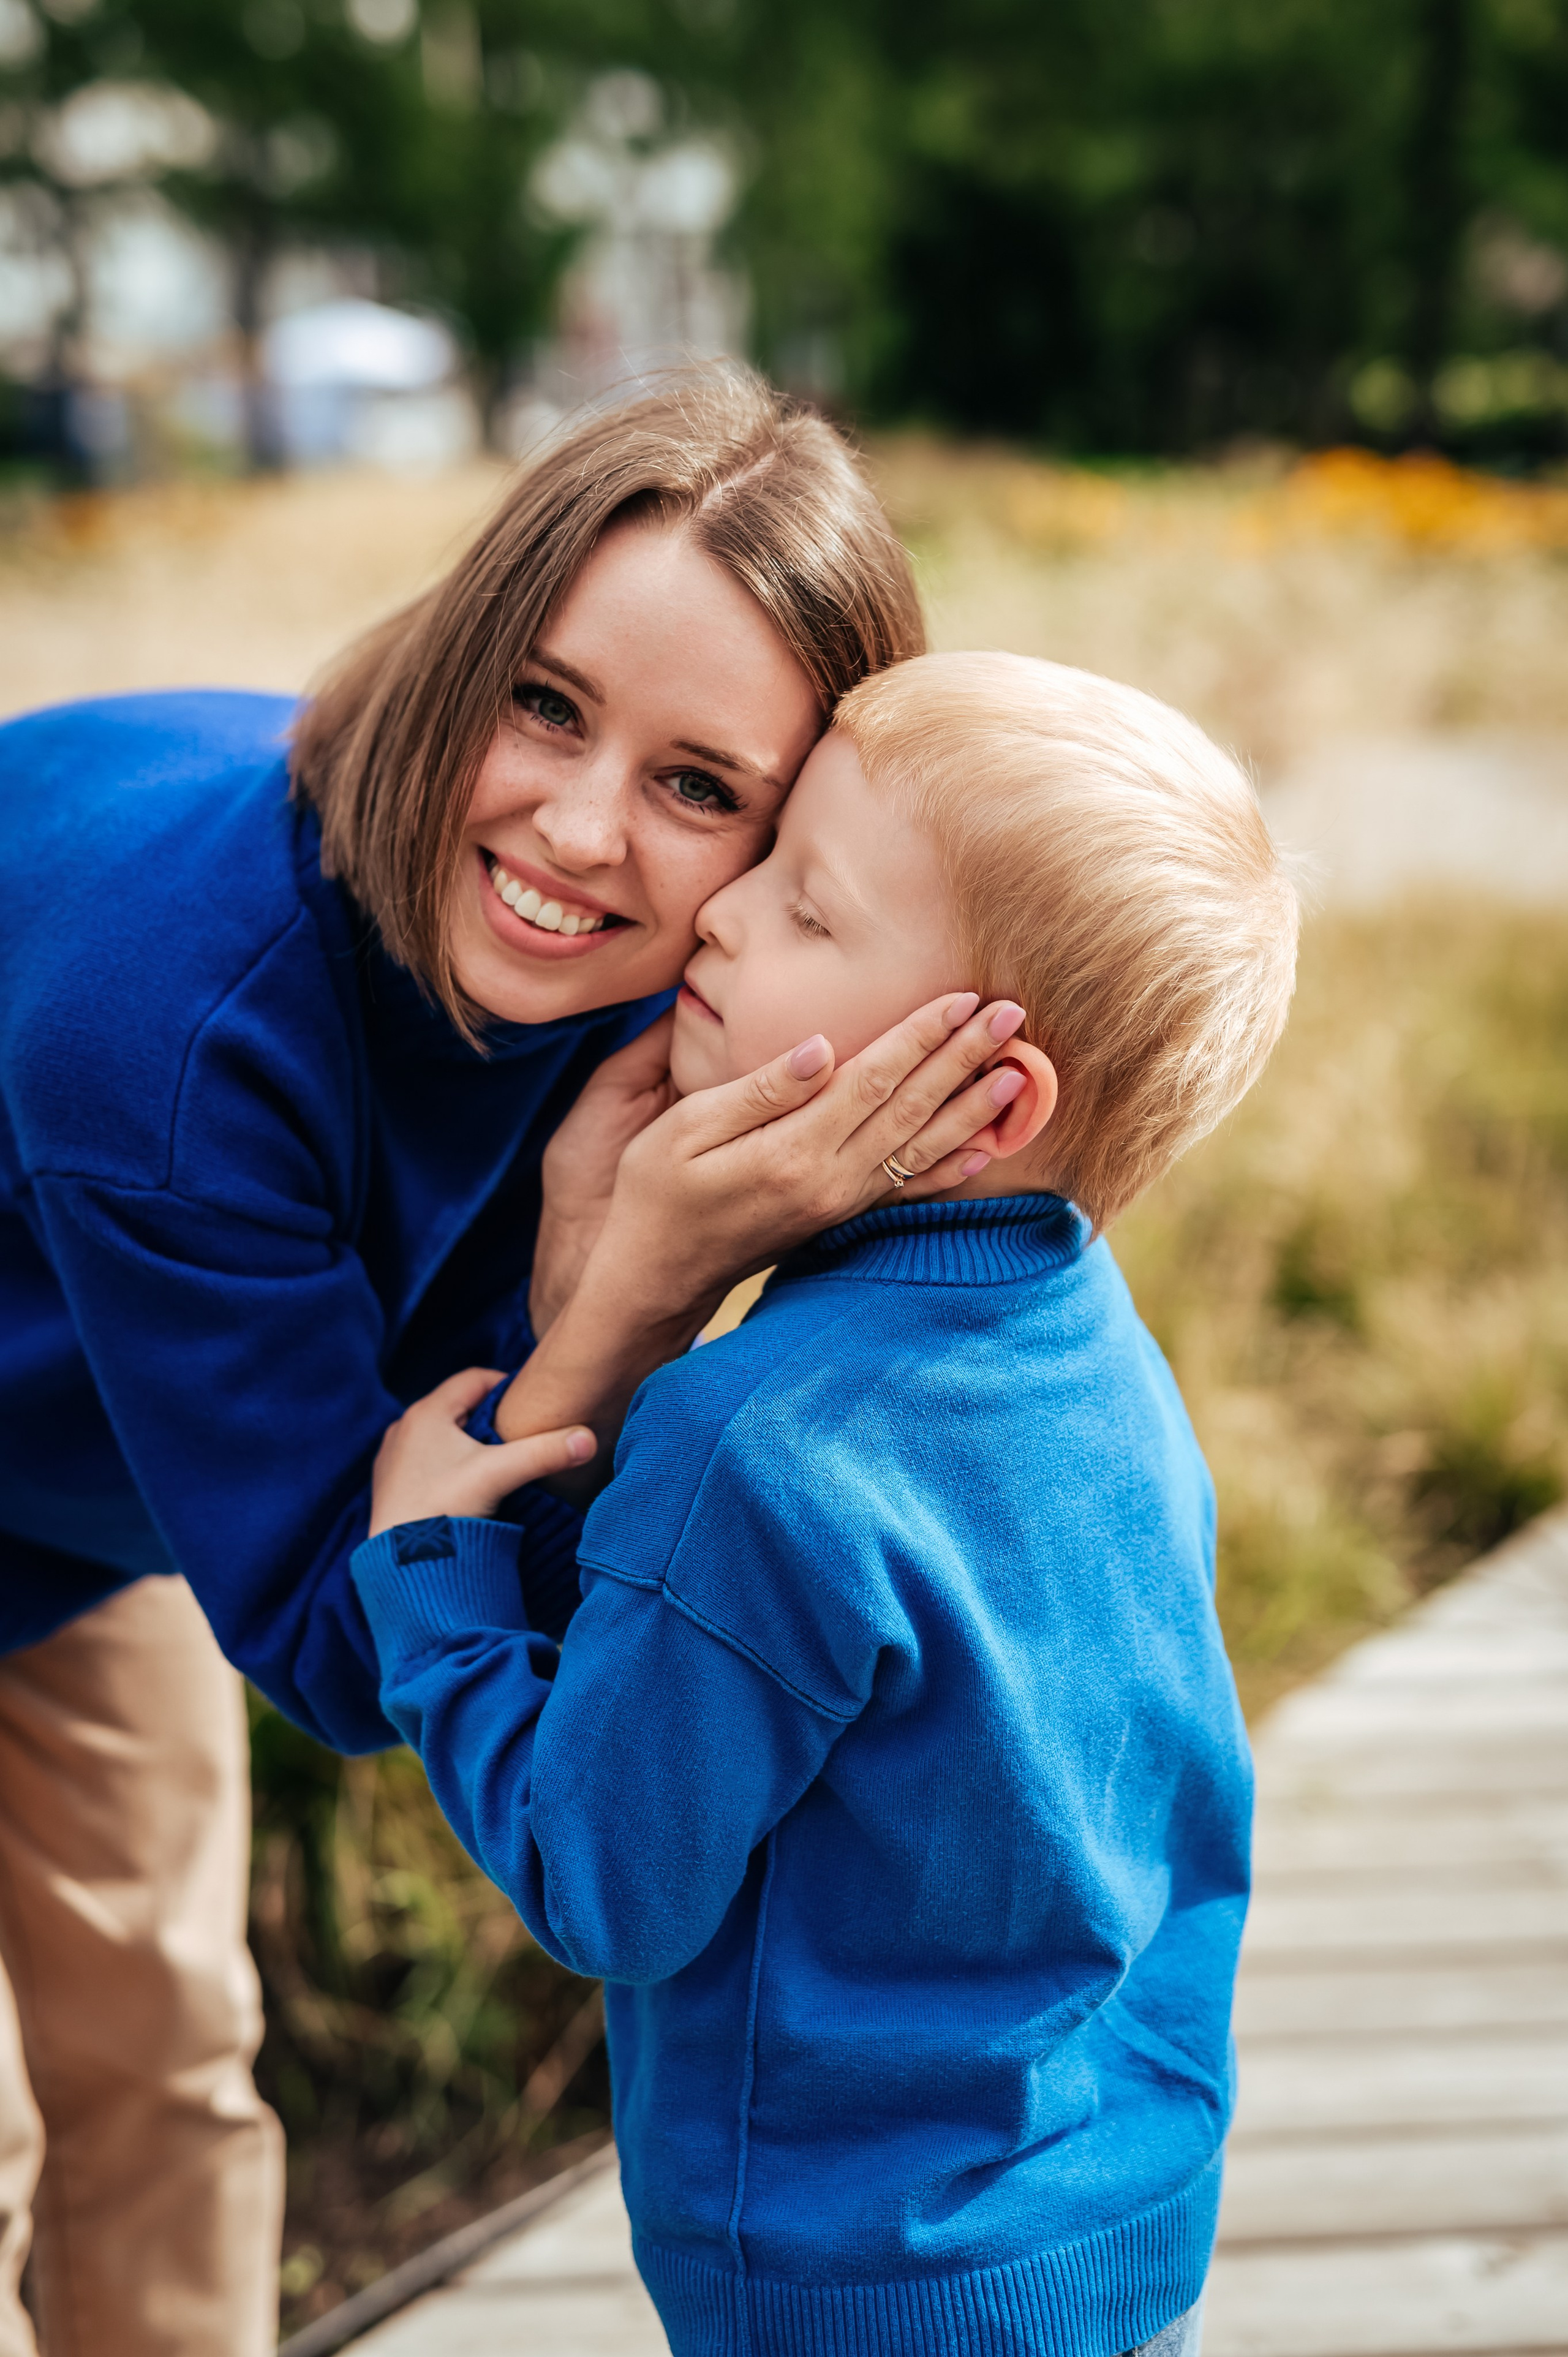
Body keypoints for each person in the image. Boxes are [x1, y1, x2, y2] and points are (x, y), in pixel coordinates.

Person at [0, 372, 1014, 2357]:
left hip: (90, 1492)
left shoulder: (635, 979)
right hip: (119, 1360)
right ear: (461, 650)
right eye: (542, 703)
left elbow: (461, 1559)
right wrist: (613, 1300)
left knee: (170, 2054)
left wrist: (583, 1267)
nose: (576, 828)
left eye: (698, 785)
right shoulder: (180, 1046)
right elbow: (345, 1636)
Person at [350, 651, 1300, 2357]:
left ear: (985, 1101)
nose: (719, 920)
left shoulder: (761, 1440)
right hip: (1115, 2217)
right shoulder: (1094, 1349)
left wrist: (430, 1581)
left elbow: (604, 1884)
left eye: (807, 907)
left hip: (850, 2287)